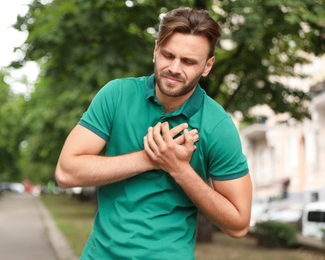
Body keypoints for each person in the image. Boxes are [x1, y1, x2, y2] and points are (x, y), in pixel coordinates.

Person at [55, 7, 252, 259]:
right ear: (155, 50)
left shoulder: (218, 125)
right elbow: (65, 172)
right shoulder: (117, 95)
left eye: (189, 61)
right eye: (168, 55)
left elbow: (239, 224)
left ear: (207, 66)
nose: (174, 68)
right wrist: (151, 158)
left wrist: (180, 169)